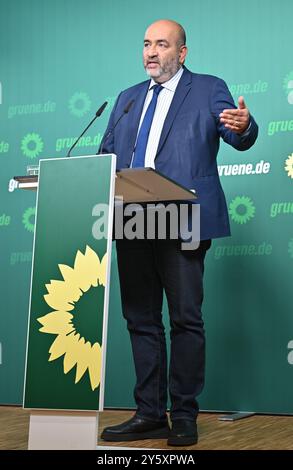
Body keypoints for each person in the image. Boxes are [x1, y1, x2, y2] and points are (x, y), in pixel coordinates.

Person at [100, 19, 258, 446]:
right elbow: (105, 156)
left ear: (182, 53)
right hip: (132, 217)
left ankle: (184, 415)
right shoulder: (128, 98)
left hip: (183, 216)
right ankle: (149, 413)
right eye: (147, 44)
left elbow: (236, 133)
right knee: (141, 320)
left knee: (185, 319)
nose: (152, 52)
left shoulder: (207, 88)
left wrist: (244, 126)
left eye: (162, 44)